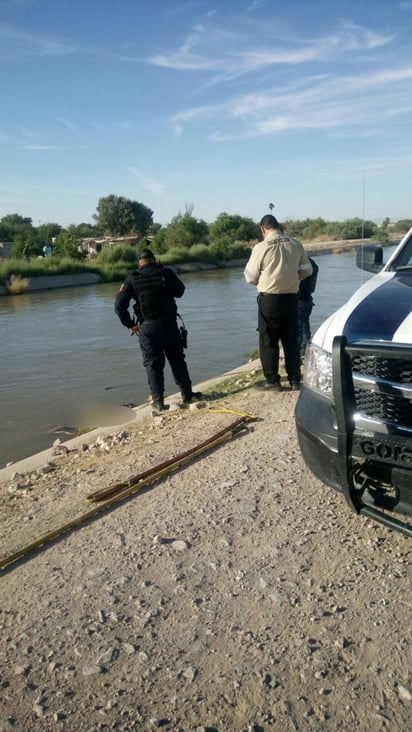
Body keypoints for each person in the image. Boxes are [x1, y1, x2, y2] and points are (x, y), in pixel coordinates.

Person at [114, 248, 201, 412]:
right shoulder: (165, 273)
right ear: (154, 260)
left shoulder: (132, 279)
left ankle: (159, 402)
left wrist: (131, 325)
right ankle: (187, 395)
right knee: (177, 360)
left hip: (147, 327)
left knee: (153, 364)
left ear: (139, 263)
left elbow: (119, 306)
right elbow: (180, 291)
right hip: (169, 325)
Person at [244, 214, 313, 391]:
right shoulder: (296, 243)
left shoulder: (261, 247)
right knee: (291, 339)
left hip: (270, 300)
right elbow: (307, 270)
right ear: (279, 226)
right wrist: (293, 278)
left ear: (263, 229)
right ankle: (295, 380)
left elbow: (250, 278)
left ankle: (272, 381)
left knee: (268, 340)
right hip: (291, 298)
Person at [297, 255, 318, 359]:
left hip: (299, 300)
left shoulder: (300, 265)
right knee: (304, 326)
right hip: (307, 300)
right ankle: (306, 352)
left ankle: (299, 354)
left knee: (298, 330)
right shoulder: (312, 264)